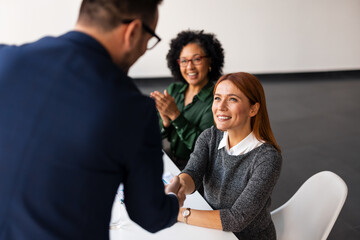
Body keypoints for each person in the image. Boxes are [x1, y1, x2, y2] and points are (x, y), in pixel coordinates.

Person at [0, 1, 183, 240]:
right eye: (148, 41)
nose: (142, 51)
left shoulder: (6, 59)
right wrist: (173, 202)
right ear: (133, 31)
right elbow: (149, 215)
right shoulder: (133, 108)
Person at [175, 72, 282, 240]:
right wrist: (179, 184)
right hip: (212, 230)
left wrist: (179, 214)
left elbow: (236, 218)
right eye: (217, 98)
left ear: (253, 109)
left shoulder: (267, 158)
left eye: (232, 99)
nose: (221, 107)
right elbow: (193, 173)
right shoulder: (209, 136)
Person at [150, 30, 224, 170]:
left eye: (197, 59)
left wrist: (175, 115)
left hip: (198, 171)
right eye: (184, 60)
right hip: (171, 161)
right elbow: (156, 135)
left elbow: (204, 147)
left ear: (210, 61)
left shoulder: (217, 100)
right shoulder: (174, 90)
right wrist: (165, 121)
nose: (189, 67)